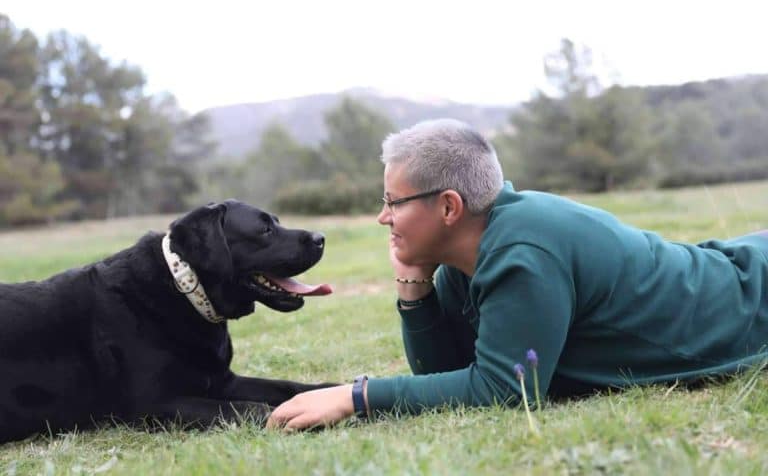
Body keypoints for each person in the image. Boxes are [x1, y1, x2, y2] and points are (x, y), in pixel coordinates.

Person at [266, 118, 768, 431]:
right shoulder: (472, 248)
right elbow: (446, 369)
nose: (383, 216)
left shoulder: (522, 250)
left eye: (393, 202)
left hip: (752, 299)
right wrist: (415, 286)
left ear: (449, 207)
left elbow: (505, 391)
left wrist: (357, 397)